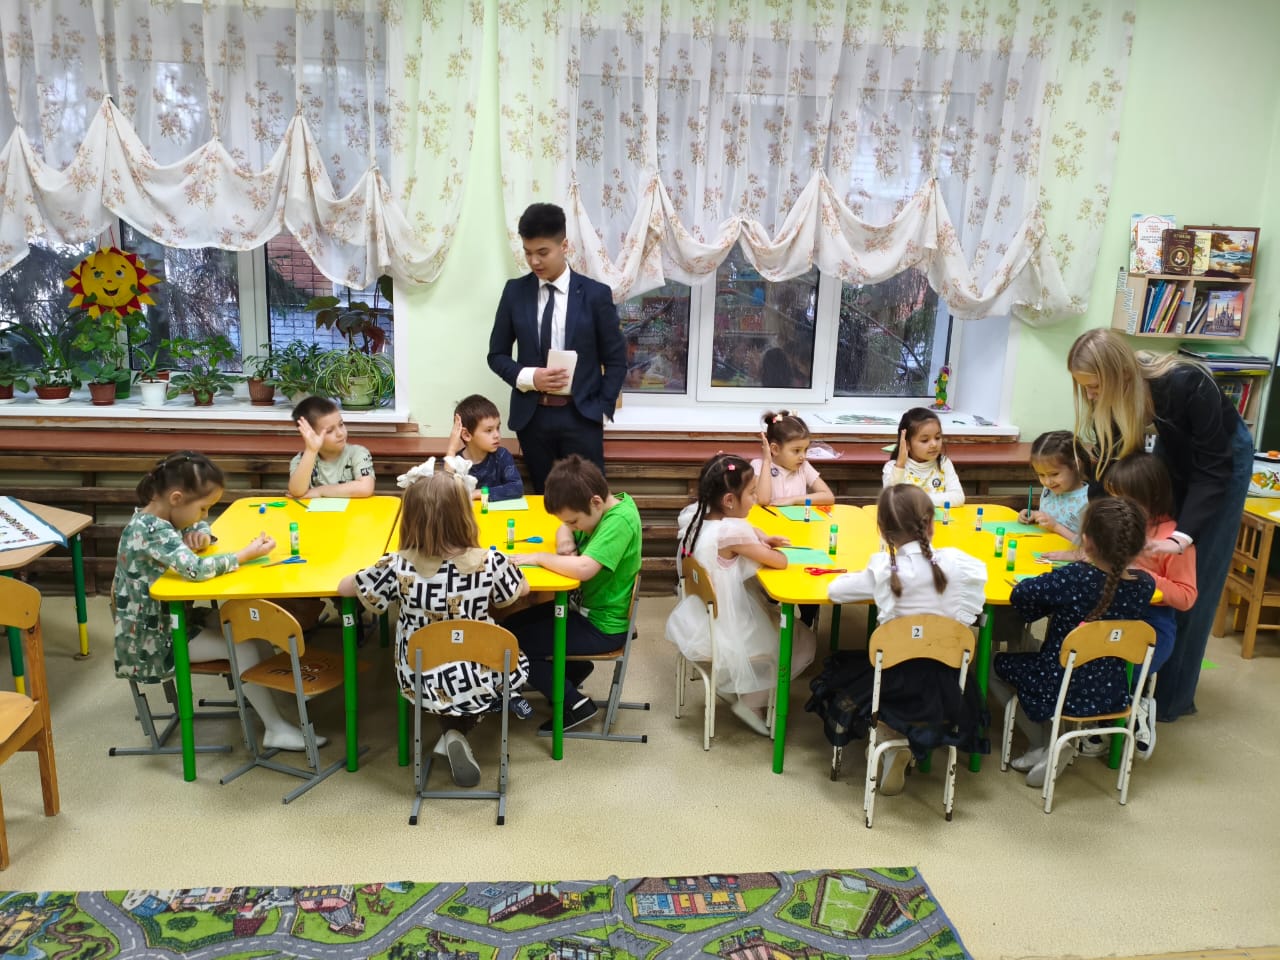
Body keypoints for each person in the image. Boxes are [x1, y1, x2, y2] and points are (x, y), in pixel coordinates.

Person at [1067, 328, 1252, 722]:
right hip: (1176, 442)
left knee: (1195, 570)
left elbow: (1213, 469)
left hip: (1223, 457)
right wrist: (1090, 540)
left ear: (1120, 376)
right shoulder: (1114, 402)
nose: (1091, 396)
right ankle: (1139, 682)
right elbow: (1106, 473)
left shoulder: (1186, 383)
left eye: (1095, 387)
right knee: (1151, 562)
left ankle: (1169, 701)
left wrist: (1182, 538)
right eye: (1084, 388)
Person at [113, 451, 319, 752]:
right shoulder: (151, 530)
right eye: (203, 508)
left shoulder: (159, 517)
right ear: (176, 498)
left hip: (170, 620)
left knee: (248, 625)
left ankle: (274, 699)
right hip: (153, 641)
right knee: (244, 645)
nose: (204, 515)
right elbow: (196, 570)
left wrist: (201, 532)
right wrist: (244, 555)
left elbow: (192, 527)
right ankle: (274, 727)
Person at [337, 472, 530, 788]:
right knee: (503, 663)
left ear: (411, 518)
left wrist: (365, 571)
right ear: (465, 514)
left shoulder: (396, 566)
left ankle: (451, 730)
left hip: (420, 675)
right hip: (483, 672)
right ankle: (461, 726)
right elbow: (522, 590)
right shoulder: (491, 562)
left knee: (438, 663)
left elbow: (346, 588)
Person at [814, 484, 988, 795]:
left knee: (840, 673)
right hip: (947, 682)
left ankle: (890, 740)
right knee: (908, 675)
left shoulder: (884, 570)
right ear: (930, 523)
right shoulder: (960, 565)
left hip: (893, 680)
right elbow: (975, 607)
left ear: (883, 531)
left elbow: (835, 592)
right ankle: (901, 743)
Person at [992, 497, 1155, 787]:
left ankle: (1042, 743)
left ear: (1086, 542)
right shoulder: (1145, 586)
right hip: (1112, 689)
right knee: (1038, 652)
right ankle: (1053, 742)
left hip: (1057, 683)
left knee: (993, 665)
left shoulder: (1075, 578)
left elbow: (1022, 595)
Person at [665, 454, 816, 736]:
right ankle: (751, 703)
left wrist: (758, 537)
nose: (756, 498)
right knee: (800, 640)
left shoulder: (695, 515)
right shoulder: (732, 533)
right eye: (752, 493)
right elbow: (779, 562)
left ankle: (740, 688)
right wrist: (767, 547)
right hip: (727, 625)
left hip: (700, 616)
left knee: (775, 622)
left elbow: (739, 533)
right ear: (729, 501)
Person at [487, 202, 627, 492]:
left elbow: (616, 360)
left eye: (542, 252)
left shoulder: (595, 295)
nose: (534, 261)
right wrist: (529, 377)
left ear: (564, 246)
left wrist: (600, 409)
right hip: (532, 418)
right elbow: (496, 355)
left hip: (582, 416)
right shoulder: (514, 292)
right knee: (544, 498)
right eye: (527, 252)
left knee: (588, 499)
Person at [503, 455, 642, 732]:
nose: (573, 526)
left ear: (596, 502)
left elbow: (584, 568)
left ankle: (576, 704)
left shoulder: (620, 521)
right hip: (582, 610)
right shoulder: (598, 509)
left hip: (602, 626)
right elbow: (562, 525)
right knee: (507, 628)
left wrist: (541, 557)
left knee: (513, 645)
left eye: (575, 522)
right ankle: (571, 671)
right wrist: (566, 535)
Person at [287, 396, 376, 499]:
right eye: (329, 431)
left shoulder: (357, 453)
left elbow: (365, 488)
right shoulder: (301, 459)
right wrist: (311, 450)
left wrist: (320, 491)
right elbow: (297, 491)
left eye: (341, 424)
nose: (340, 433)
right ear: (310, 435)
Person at [445, 393, 524, 502]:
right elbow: (444, 491)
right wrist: (451, 449)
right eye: (489, 430)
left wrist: (478, 493)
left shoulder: (501, 455)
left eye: (498, 428)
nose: (497, 435)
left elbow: (516, 488)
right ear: (466, 435)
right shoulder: (456, 461)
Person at [882, 407, 965, 506]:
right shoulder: (892, 467)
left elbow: (958, 497)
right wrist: (900, 465)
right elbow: (891, 500)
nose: (934, 444)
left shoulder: (943, 463)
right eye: (925, 440)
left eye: (937, 437)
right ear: (907, 444)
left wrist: (918, 499)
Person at [1018, 430, 1089, 542]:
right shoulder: (1050, 489)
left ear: (1076, 465)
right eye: (1041, 475)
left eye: (1054, 474)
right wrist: (1033, 515)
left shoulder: (1088, 500)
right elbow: (1047, 517)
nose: (1047, 482)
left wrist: (1056, 527)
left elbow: (1088, 546)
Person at [752, 410, 834, 507]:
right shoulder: (759, 465)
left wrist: (793, 500)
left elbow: (828, 496)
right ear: (775, 449)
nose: (803, 456)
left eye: (805, 449)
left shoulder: (803, 467)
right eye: (796, 450)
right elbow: (763, 500)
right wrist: (766, 462)